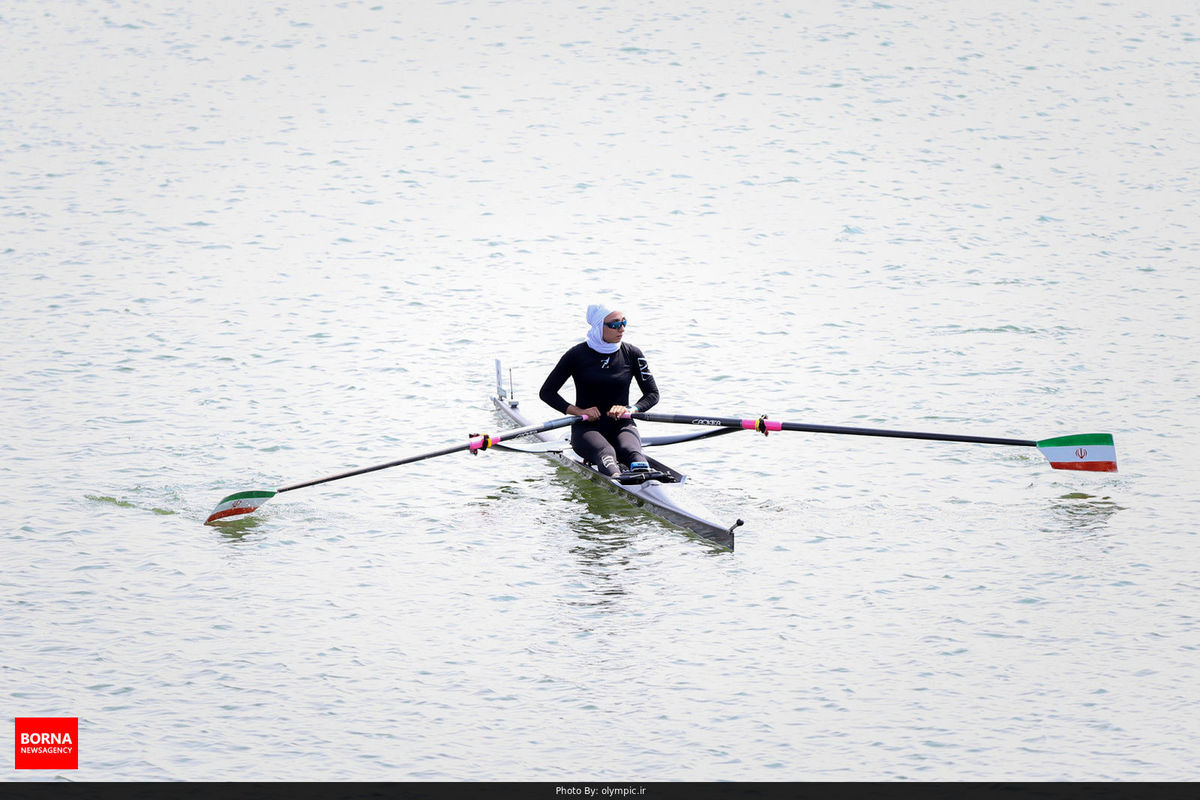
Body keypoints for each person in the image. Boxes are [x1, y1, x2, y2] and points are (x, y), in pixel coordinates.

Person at [539, 304, 660, 478]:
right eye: (615, 324)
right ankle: (617, 479)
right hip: (586, 428)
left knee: (633, 452)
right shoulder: (576, 355)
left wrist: (630, 410)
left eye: (624, 322)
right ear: (598, 326)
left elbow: (652, 394)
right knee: (606, 453)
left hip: (622, 424)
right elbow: (547, 392)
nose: (622, 329)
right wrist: (579, 411)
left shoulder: (632, 353)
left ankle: (647, 480)